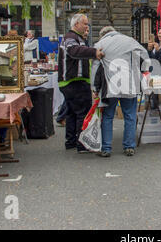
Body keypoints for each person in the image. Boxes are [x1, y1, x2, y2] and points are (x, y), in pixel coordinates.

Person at [92, 26, 149, 157]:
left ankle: (106, 148)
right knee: (130, 116)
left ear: (102, 35)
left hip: (109, 86)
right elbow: (144, 54)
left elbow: (95, 67)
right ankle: (129, 146)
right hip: (128, 84)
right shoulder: (129, 40)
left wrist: (94, 88)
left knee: (107, 117)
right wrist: (143, 70)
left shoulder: (100, 44)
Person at [58, 14, 104, 153]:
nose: (87, 26)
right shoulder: (71, 39)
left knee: (72, 113)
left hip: (70, 82)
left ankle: (70, 141)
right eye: (85, 23)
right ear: (76, 24)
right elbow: (74, 51)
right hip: (75, 81)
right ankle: (81, 144)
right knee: (82, 113)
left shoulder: (76, 38)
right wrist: (94, 52)